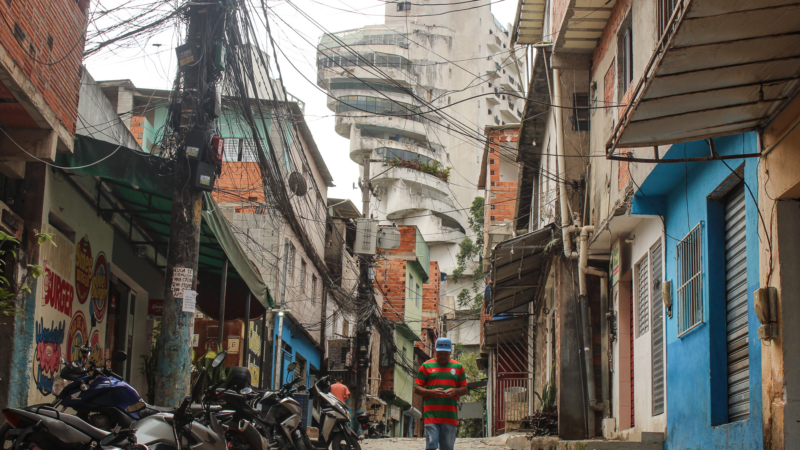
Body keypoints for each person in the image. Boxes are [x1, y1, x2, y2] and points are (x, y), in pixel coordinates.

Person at [413, 337, 468, 450]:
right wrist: (431, 392)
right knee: (431, 446)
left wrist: (455, 391)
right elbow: (417, 388)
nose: (443, 356)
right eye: (440, 353)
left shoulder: (458, 367)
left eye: (445, 354)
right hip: (431, 416)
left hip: (450, 416)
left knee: (447, 448)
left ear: (450, 353)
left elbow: (465, 389)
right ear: (435, 351)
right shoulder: (426, 366)